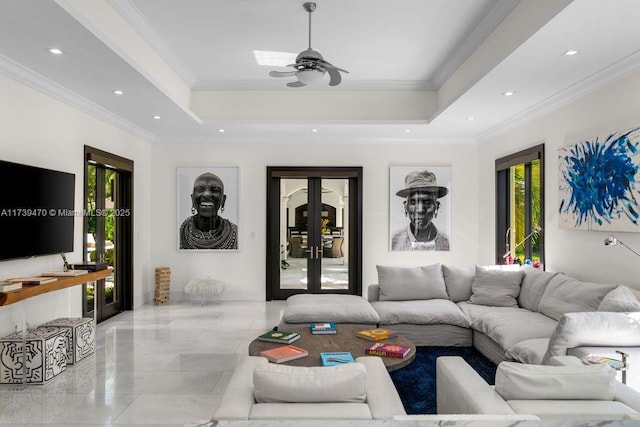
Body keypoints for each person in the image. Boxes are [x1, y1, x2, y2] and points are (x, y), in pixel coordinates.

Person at [391, 170, 449, 251]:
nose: (420, 210)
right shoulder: (393, 242)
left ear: (437, 207)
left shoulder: (447, 243)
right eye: (413, 202)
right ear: (405, 207)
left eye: (427, 202)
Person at [180, 172, 238, 249]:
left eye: (215, 190)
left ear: (223, 200)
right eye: (200, 189)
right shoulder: (179, 234)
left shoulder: (237, 235)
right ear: (192, 199)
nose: (206, 194)